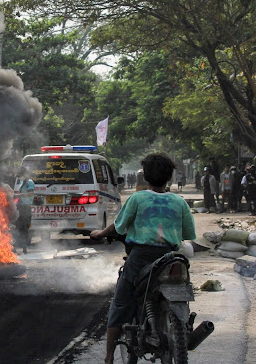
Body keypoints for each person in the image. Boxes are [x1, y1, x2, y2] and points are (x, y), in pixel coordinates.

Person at [90, 153, 196, 364]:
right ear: (170, 178)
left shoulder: (137, 199)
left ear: (146, 177)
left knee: (120, 303)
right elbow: (188, 234)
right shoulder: (179, 202)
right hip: (171, 258)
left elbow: (119, 226)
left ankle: (109, 356)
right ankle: (183, 328)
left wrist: (100, 234)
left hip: (141, 258)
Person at [15, 166, 34, 254]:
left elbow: (31, 193)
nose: (20, 177)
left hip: (26, 208)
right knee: (18, 227)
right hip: (20, 207)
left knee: (24, 229)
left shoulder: (30, 182)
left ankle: (24, 248)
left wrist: (20, 195)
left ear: (25, 174)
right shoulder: (22, 182)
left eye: (21, 175)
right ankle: (16, 248)